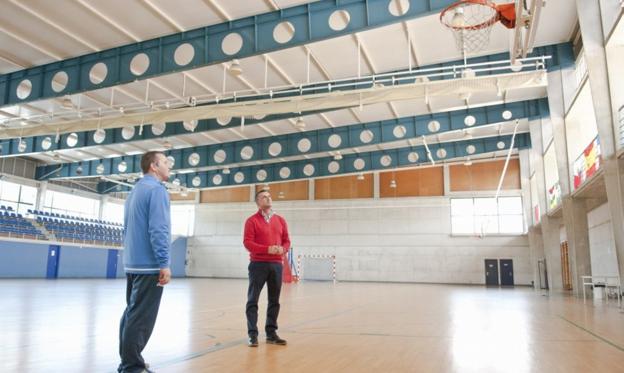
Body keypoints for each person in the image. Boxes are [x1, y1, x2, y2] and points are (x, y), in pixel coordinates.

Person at [118, 151, 172, 373]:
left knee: (132, 313)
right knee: (141, 318)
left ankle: (130, 360)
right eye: (166, 162)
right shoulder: (157, 190)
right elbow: (158, 229)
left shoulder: (134, 191)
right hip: (149, 265)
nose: (169, 166)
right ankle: (131, 366)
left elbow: (127, 227)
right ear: (154, 166)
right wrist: (164, 262)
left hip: (132, 262)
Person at [243, 189, 291, 347]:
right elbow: (248, 243)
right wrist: (267, 249)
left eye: (269, 196)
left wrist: (282, 250)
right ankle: (252, 334)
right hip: (258, 265)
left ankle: (271, 333)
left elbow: (287, 241)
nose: (268, 198)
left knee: (274, 301)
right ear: (258, 202)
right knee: (252, 300)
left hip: (276, 265)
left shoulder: (281, 220)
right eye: (264, 197)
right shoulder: (251, 221)